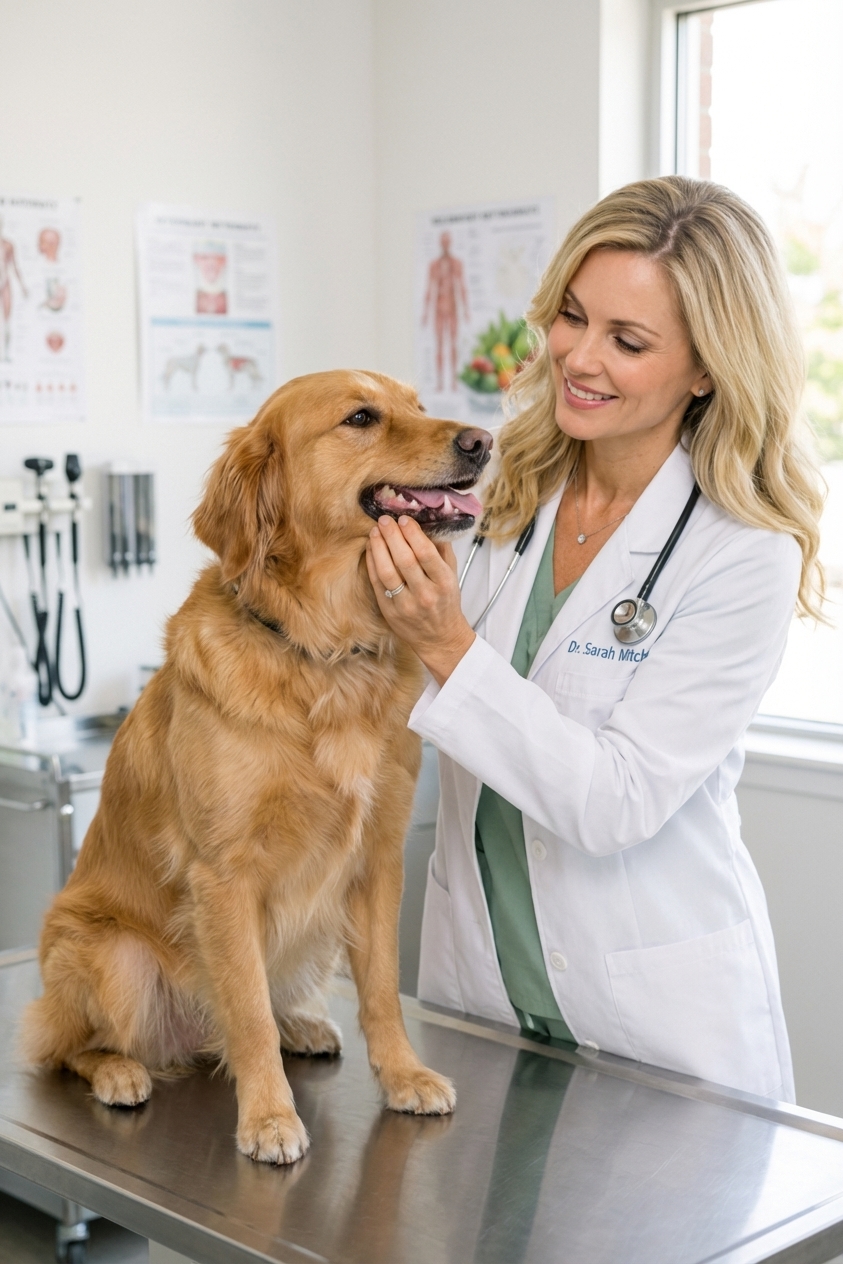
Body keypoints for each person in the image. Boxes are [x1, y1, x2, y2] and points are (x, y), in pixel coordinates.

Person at [366, 176, 825, 1101]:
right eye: (571, 316)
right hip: (485, 992)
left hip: (658, 1021)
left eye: (628, 341)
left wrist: (449, 648)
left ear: (706, 366)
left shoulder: (742, 551)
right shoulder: (499, 489)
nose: (577, 356)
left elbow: (611, 803)